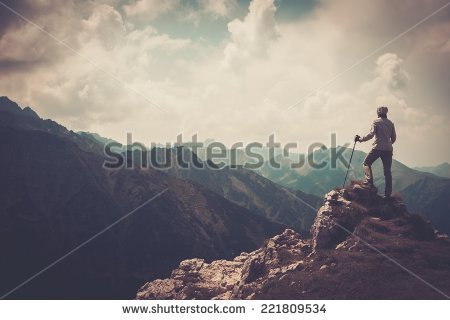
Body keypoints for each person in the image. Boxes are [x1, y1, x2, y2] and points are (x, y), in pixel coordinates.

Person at [355, 106, 396, 198]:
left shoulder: (376, 122)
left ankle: (369, 182)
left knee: (366, 162)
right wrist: (388, 144)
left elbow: (371, 134)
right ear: (386, 113)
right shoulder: (391, 123)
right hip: (388, 149)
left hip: (378, 147)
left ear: (378, 112)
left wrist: (360, 139)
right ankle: (387, 194)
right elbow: (393, 138)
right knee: (387, 172)